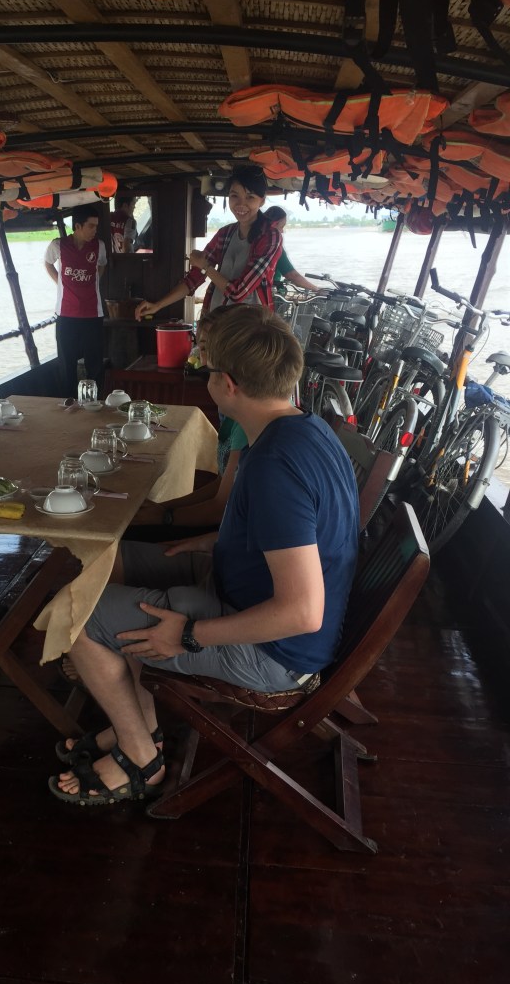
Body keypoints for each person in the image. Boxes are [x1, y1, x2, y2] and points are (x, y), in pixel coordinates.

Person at [50, 306, 360, 806]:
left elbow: (302, 612)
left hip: (276, 653)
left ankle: (141, 760)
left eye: (207, 367)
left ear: (229, 384)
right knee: (110, 560)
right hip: (239, 588)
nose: (204, 375)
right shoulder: (307, 429)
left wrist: (190, 635)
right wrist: (220, 540)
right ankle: (143, 724)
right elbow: (305, 535)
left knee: (74, 611)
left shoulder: (274, 466)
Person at [130, 305, 248, 536]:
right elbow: (222, 485)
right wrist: (164, 507)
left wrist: (164, 516)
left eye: (203, 348)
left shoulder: (246, 421)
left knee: (127, 537)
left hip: (227, 535)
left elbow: (220, 509)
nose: (198, 355)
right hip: (225, 526)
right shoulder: (234, 409)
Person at [135, 165, 281, 321]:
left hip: (252, 327)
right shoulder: (225, 234)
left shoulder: (270, 237)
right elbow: (193, 279)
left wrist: (205, 266)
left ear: (262, 200)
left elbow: (238, 292)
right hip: (218, 320)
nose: (240, 204)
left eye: (250, 197)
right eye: (234, 196)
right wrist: (158, 305)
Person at [44, 205, 107, 398]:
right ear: (77, 226)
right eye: (91, 226)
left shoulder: (99, 246)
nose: (94, 230)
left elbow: (101, 266)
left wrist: (93, 284)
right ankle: (68, 402)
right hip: (66, 314)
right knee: (66, 363)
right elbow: (47, 263)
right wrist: (60, 283)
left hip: (93, 314)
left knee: (95, 363)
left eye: (96, 226)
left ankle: (95, 402)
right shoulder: (58, 245)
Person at [263, 206, 322, 292]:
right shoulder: (273, 246)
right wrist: (317, 289)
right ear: (274, 224)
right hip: (268, 294)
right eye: (282, 226)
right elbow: (292, 275)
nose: (282, 231)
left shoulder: (255, 238)